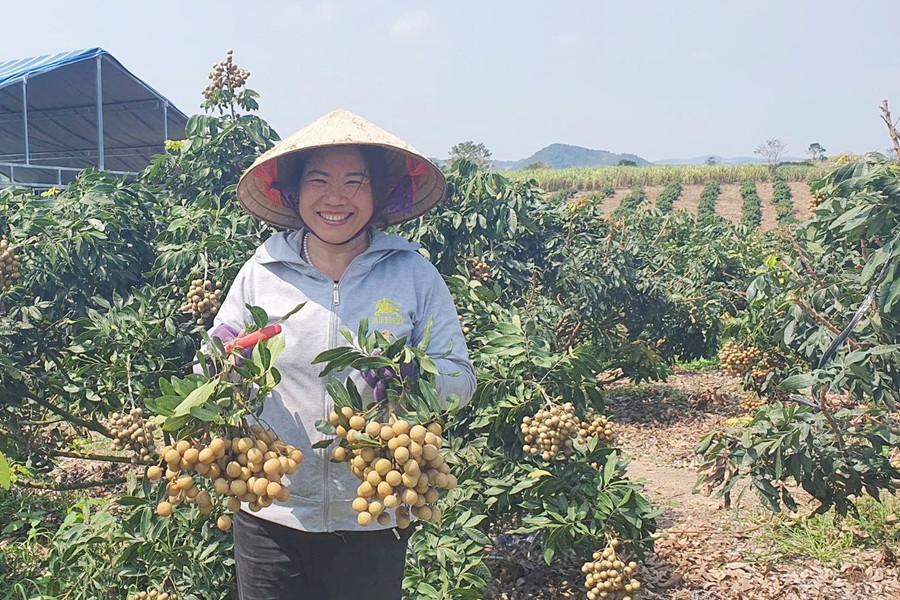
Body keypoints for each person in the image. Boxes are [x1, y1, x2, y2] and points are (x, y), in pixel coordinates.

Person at [210, 109, 475, 600]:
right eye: (319, 180)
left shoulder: (414, 275)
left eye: (355, 181)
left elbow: (460, 378)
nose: (336, 197)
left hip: (373, 513)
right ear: (294, 193)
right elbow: (214, 367)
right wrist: (222, 364)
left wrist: (413, 380)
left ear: (378, 195)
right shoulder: (259, 273)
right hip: (272, 510)